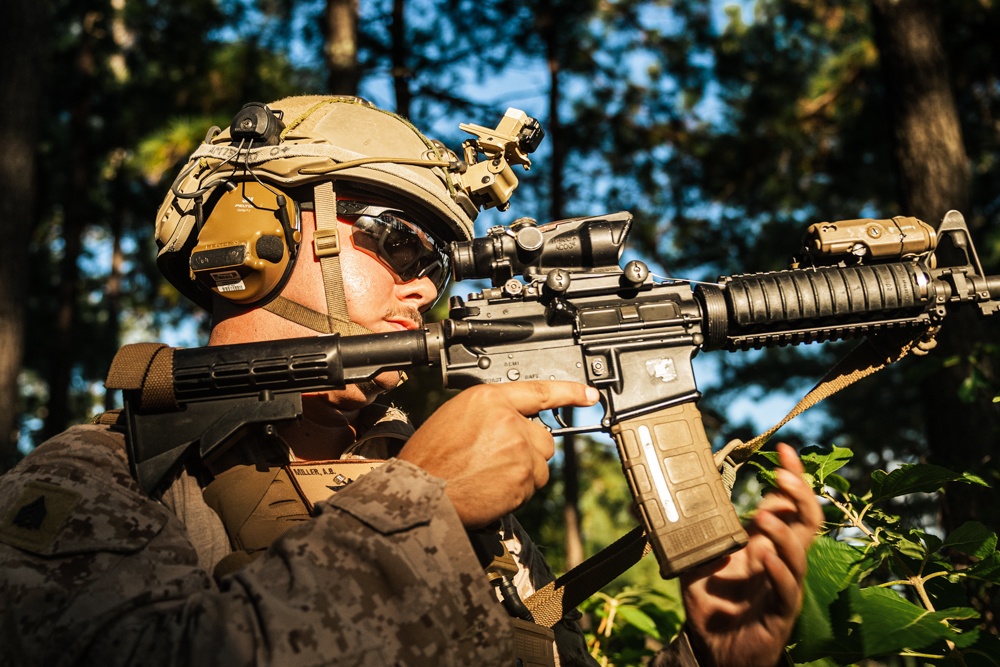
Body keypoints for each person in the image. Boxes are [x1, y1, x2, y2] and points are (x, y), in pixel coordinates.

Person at [0, 95, 822, 667]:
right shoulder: (98, 483)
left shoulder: (462, 504)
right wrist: (414, 498)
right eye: (396, 242)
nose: (428, 286)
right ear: (256, 237)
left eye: (437, 263)